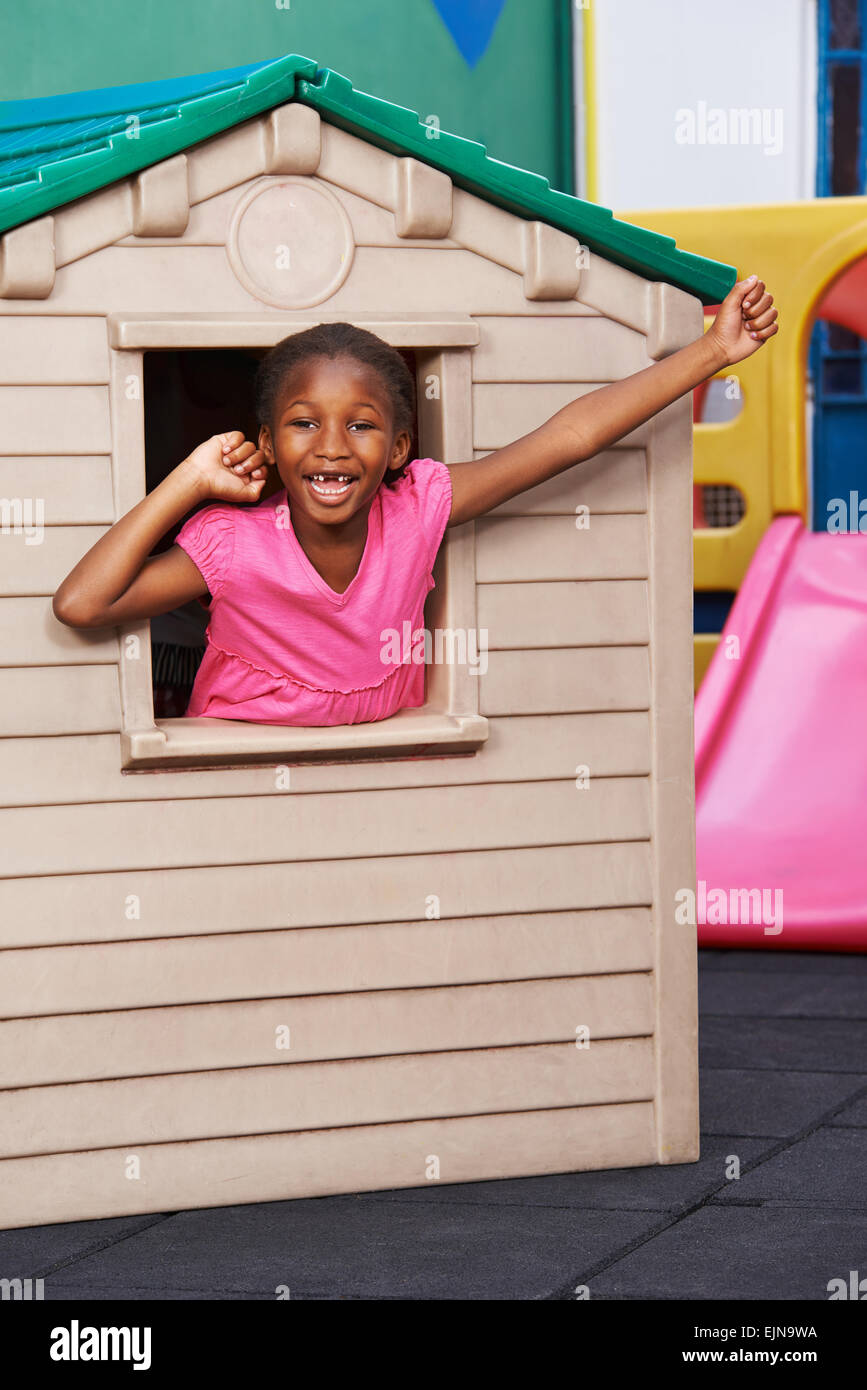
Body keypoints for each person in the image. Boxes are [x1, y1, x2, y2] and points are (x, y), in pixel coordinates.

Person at [52, 277, 778, 726]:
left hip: (390, 772)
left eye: (361, 426)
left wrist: (712, 352)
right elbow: (81, 605)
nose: (332, 446)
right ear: (268, 445)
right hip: (238, 782)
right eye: (304, 424)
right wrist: (185, 480)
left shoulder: (420, 506)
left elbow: (570, 438)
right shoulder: (232, 544)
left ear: (398, 448)